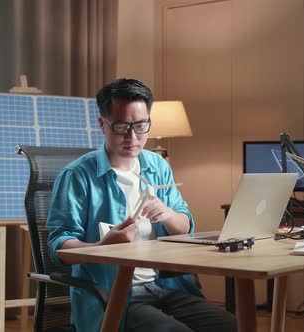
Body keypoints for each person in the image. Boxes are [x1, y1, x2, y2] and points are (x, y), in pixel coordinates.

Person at [47, 78, 236, 331]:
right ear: (102, 124)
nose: (133, 136)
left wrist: (167, 213)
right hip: (113, 296)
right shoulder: (78, 176)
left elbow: (184, 227)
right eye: (122, 126)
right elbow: (58, 246)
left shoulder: (157, 166)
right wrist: (102, 247)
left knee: (232, 325)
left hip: (167, 288)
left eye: (141, 125)